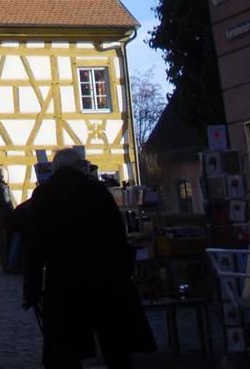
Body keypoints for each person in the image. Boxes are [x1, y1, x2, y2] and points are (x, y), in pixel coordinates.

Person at [21, 149, 155, 369]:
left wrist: (32, 288)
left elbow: (36, 245)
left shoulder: (44, 195)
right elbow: (117, 232)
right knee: (115, 345)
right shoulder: (97, 190)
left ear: (55, 169)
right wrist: (124, 270)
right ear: (79, 167)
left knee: (65, 349)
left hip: (64, 282)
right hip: (104, 278)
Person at [0, 168, 18, 275]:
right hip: (6, 220)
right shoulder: (3, 188)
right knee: (7, 244)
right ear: (4, 176)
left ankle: (4, 266)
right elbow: (8, 204)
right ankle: (8, 267)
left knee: (1, 245)